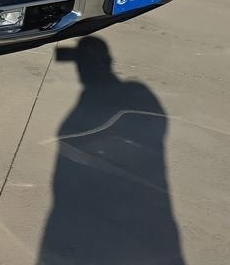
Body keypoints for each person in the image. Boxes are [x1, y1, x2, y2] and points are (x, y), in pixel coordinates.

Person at [37, 37, 185, 264]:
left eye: (84, 63)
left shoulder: (133, 95)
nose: (81, 70)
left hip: (120, 223)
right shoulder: (135, 94)